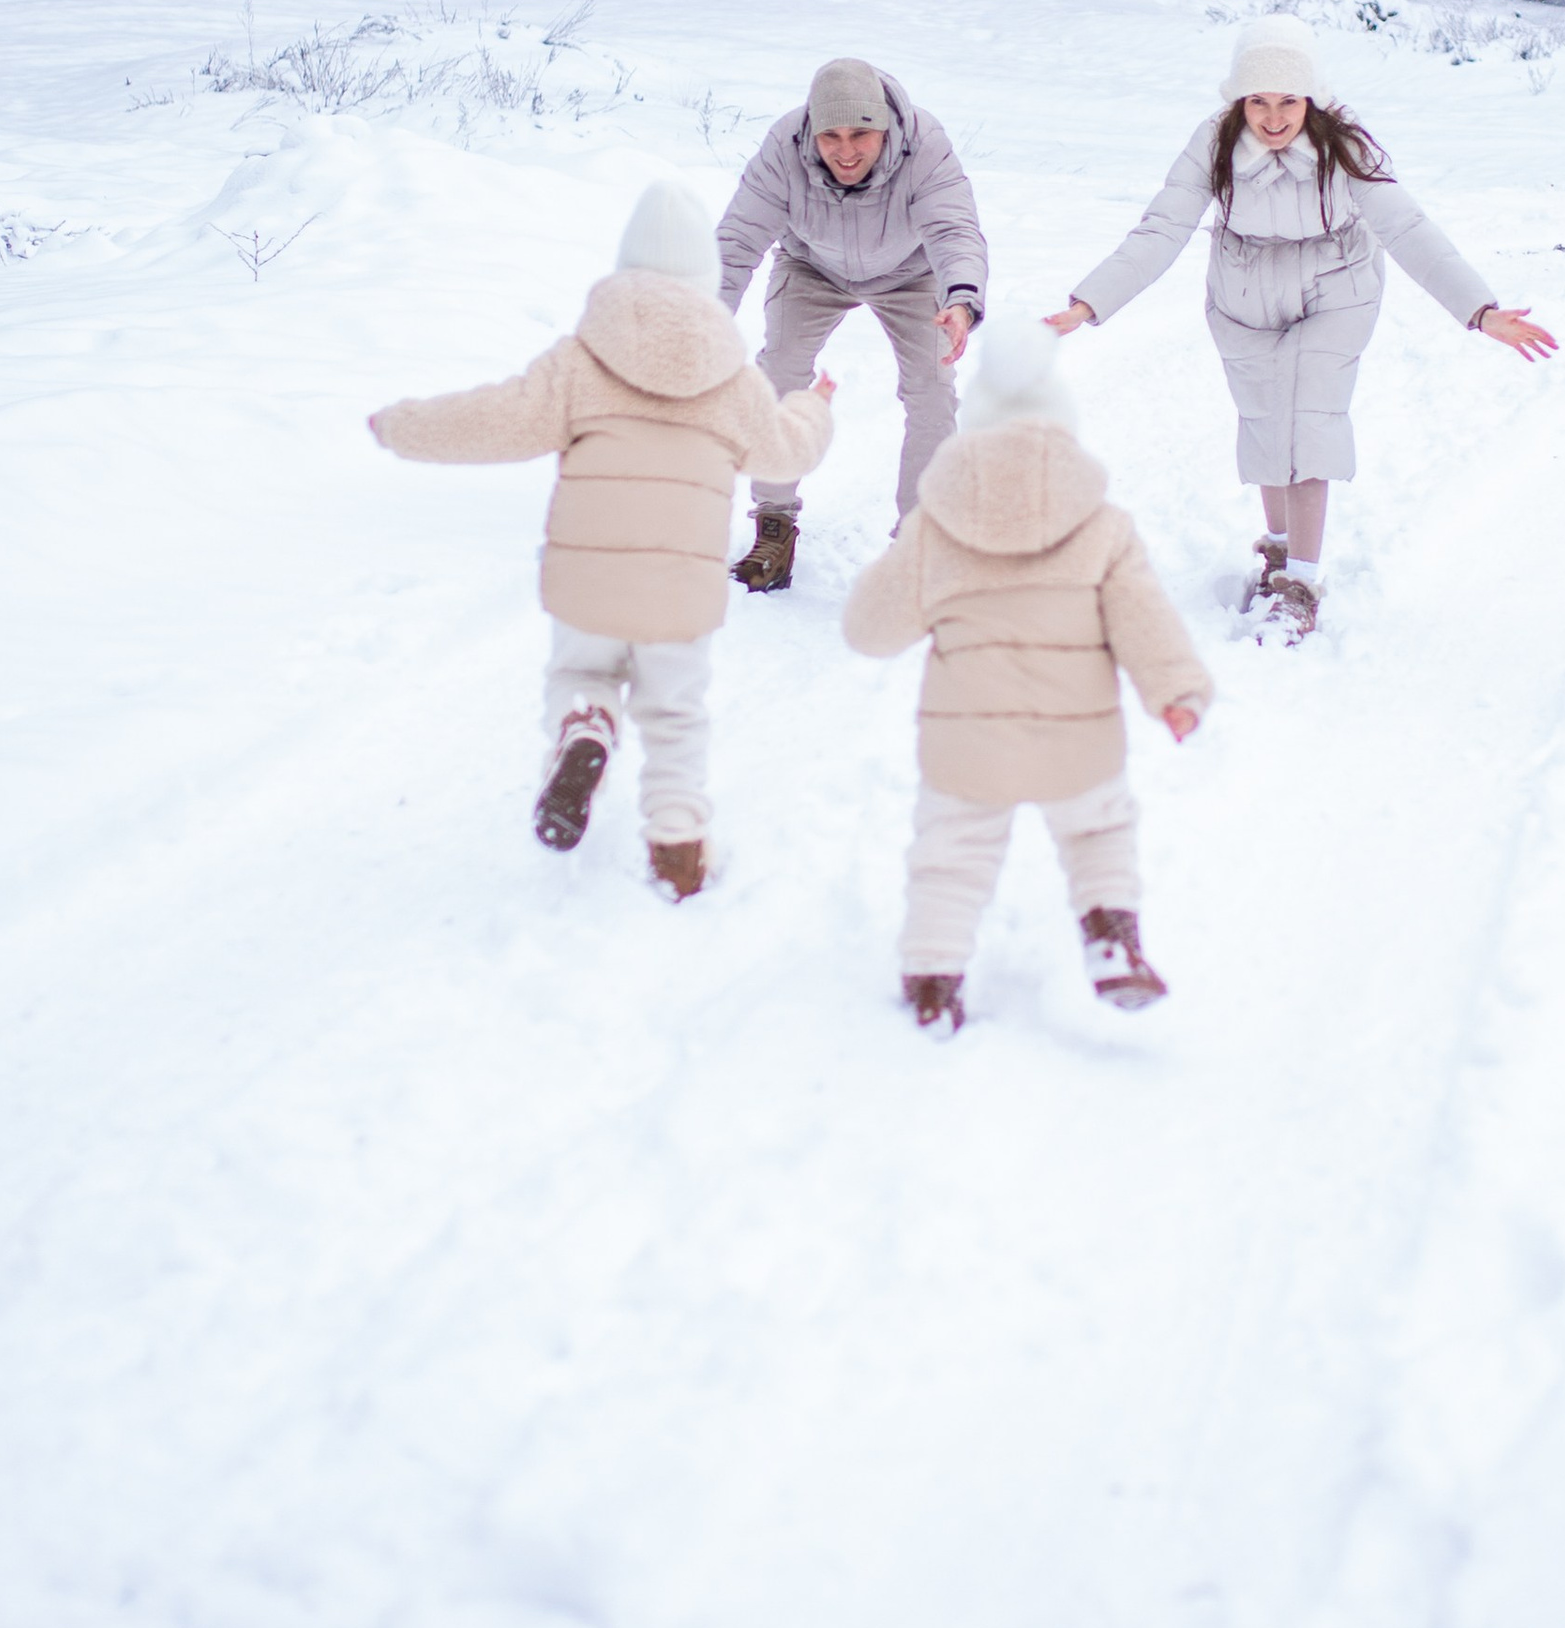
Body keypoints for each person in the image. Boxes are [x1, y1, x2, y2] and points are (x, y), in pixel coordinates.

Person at [367, 181, 834, 887]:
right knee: (675, 715)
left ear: (627, 267)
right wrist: (812, 405)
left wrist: (404, 427)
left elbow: (494, 419)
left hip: (588, 583)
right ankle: (678, 846)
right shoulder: (734, 381)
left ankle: (586, 724)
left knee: (581, 673)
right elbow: (786, 453)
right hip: (680, 593)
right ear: (706, 280)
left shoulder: (580, 359)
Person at [1047, 10, 1556, 639]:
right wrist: (1087, 305)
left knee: (1310, 422)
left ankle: (1301, 586)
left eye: (1288, 99)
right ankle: (1280, 553)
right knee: (1265, 424)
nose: (1273, 116)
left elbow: (1407, 226)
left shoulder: (1344, 141)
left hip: (1337, 285)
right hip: (1243, 292)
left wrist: (1478, 310)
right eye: (1257, 100)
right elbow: (1162, 226)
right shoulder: (1214, 142)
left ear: (1310, 95)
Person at [843, 317, 1212, 1033]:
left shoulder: (934, 524)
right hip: (1075, 741)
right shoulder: (1103, 525)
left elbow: (870, 630)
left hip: (968, 745)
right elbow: (1145, 619)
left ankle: (932, 978)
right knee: (1097, 830)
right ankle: (1110, 936)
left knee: (951, 854)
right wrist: (1176, 692)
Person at [716, 54, 988, 590]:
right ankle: (775, 523)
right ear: (811, 132)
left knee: (931, 392)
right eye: (830, 136)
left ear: (884, 128)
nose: (845, 151)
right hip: (811, 264)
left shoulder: (923, 145)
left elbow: (956, 230)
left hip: (912, 274)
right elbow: (736, 242)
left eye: (861, 134)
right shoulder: (784, 148)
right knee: (780, 374)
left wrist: (960, 298)